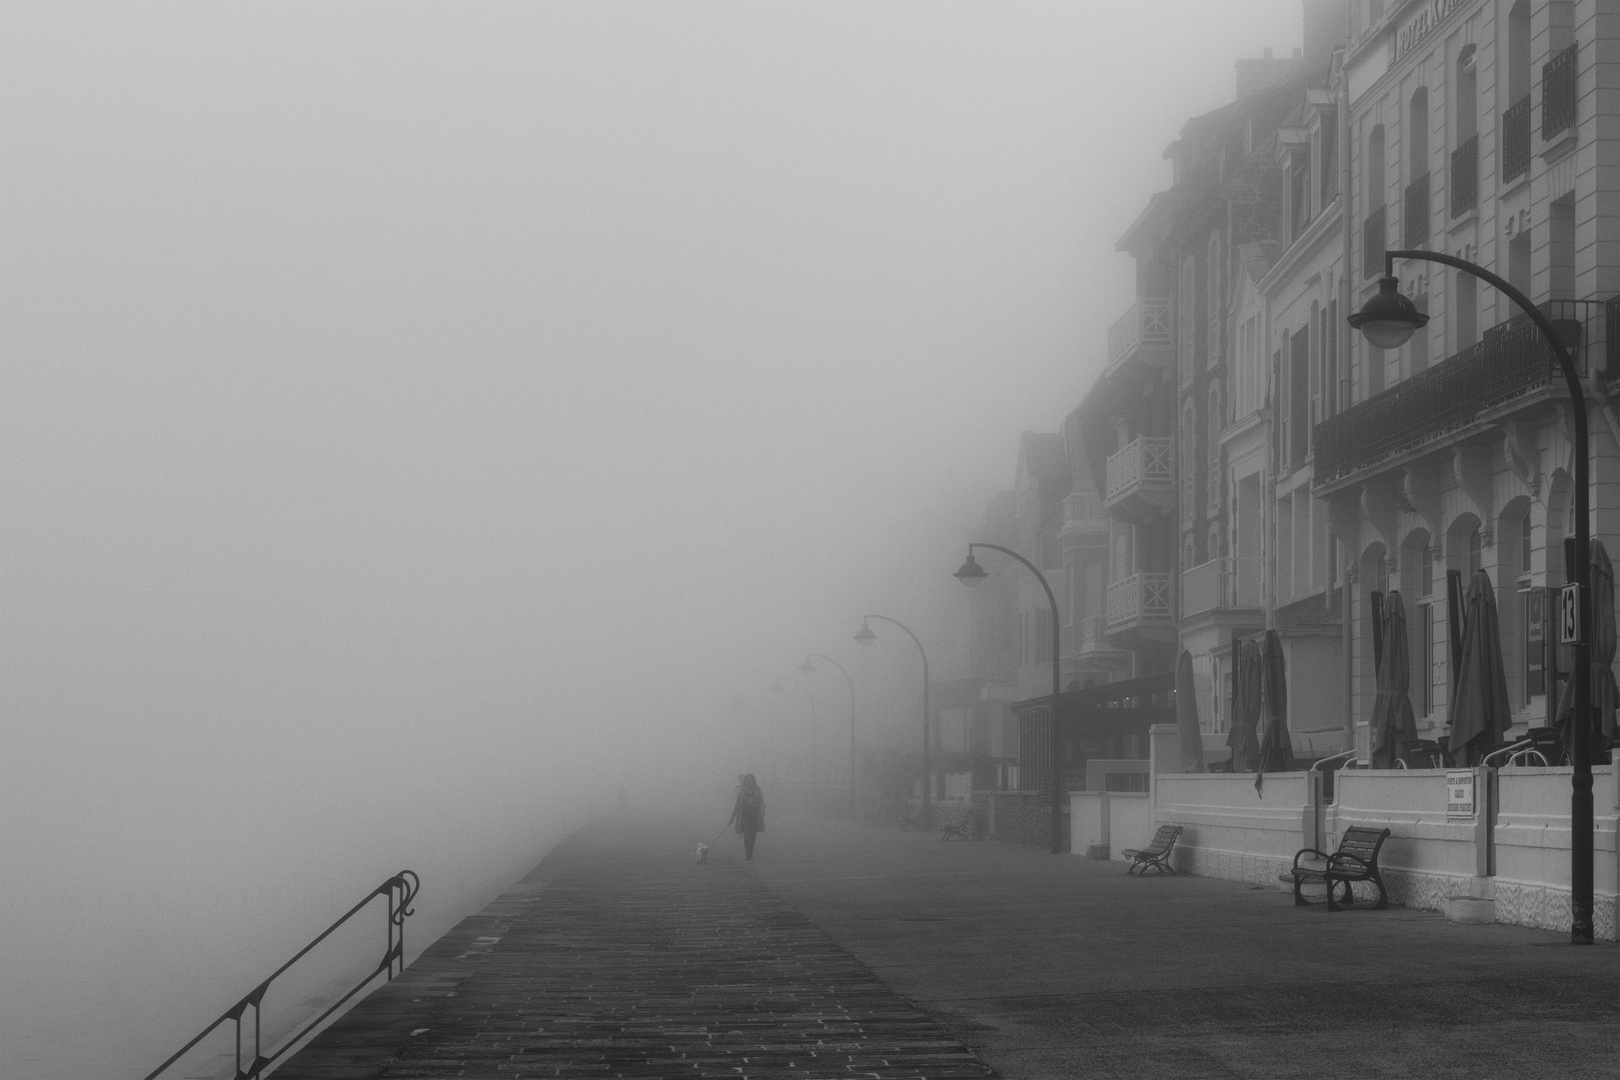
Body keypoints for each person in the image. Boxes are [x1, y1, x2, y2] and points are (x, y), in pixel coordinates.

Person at [730, 773, 764, 861]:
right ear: (745, 781)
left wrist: (763, 811)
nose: (749, 781)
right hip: (744, 816)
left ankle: (750, 851)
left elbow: (761, 801)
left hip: (755, 816)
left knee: (753, 835)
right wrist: (732, 817)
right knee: (746, 835)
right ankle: (748, 854)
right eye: (747, 779)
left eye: (751, 779)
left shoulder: (757, 790)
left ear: (753, 780)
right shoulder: (742, 791)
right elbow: (737, 804)